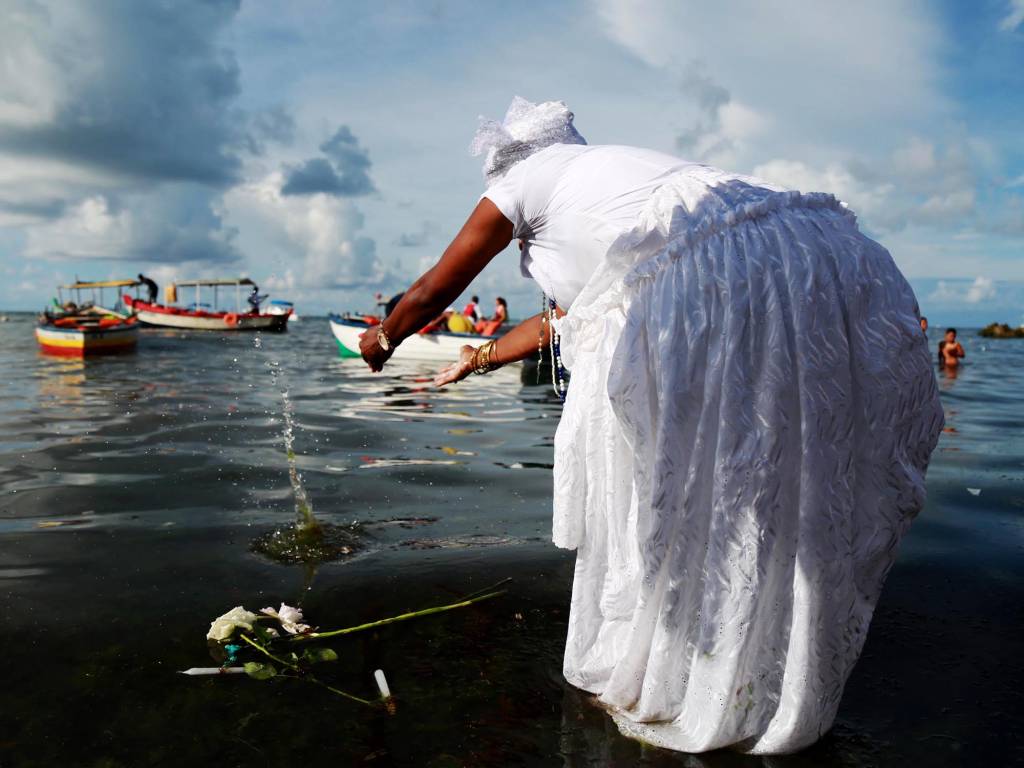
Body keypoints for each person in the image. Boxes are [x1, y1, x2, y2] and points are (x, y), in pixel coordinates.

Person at [358, 97, 944, 755]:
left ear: (505, 159)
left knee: (677, 506)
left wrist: (384, 335)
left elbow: (440, 284)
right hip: (816, 256)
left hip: (707, 278)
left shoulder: (519, 182)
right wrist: (478, 357)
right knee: (761, 492)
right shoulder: (607, 186)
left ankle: (689, 677)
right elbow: (561, 320)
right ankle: (755, 677)